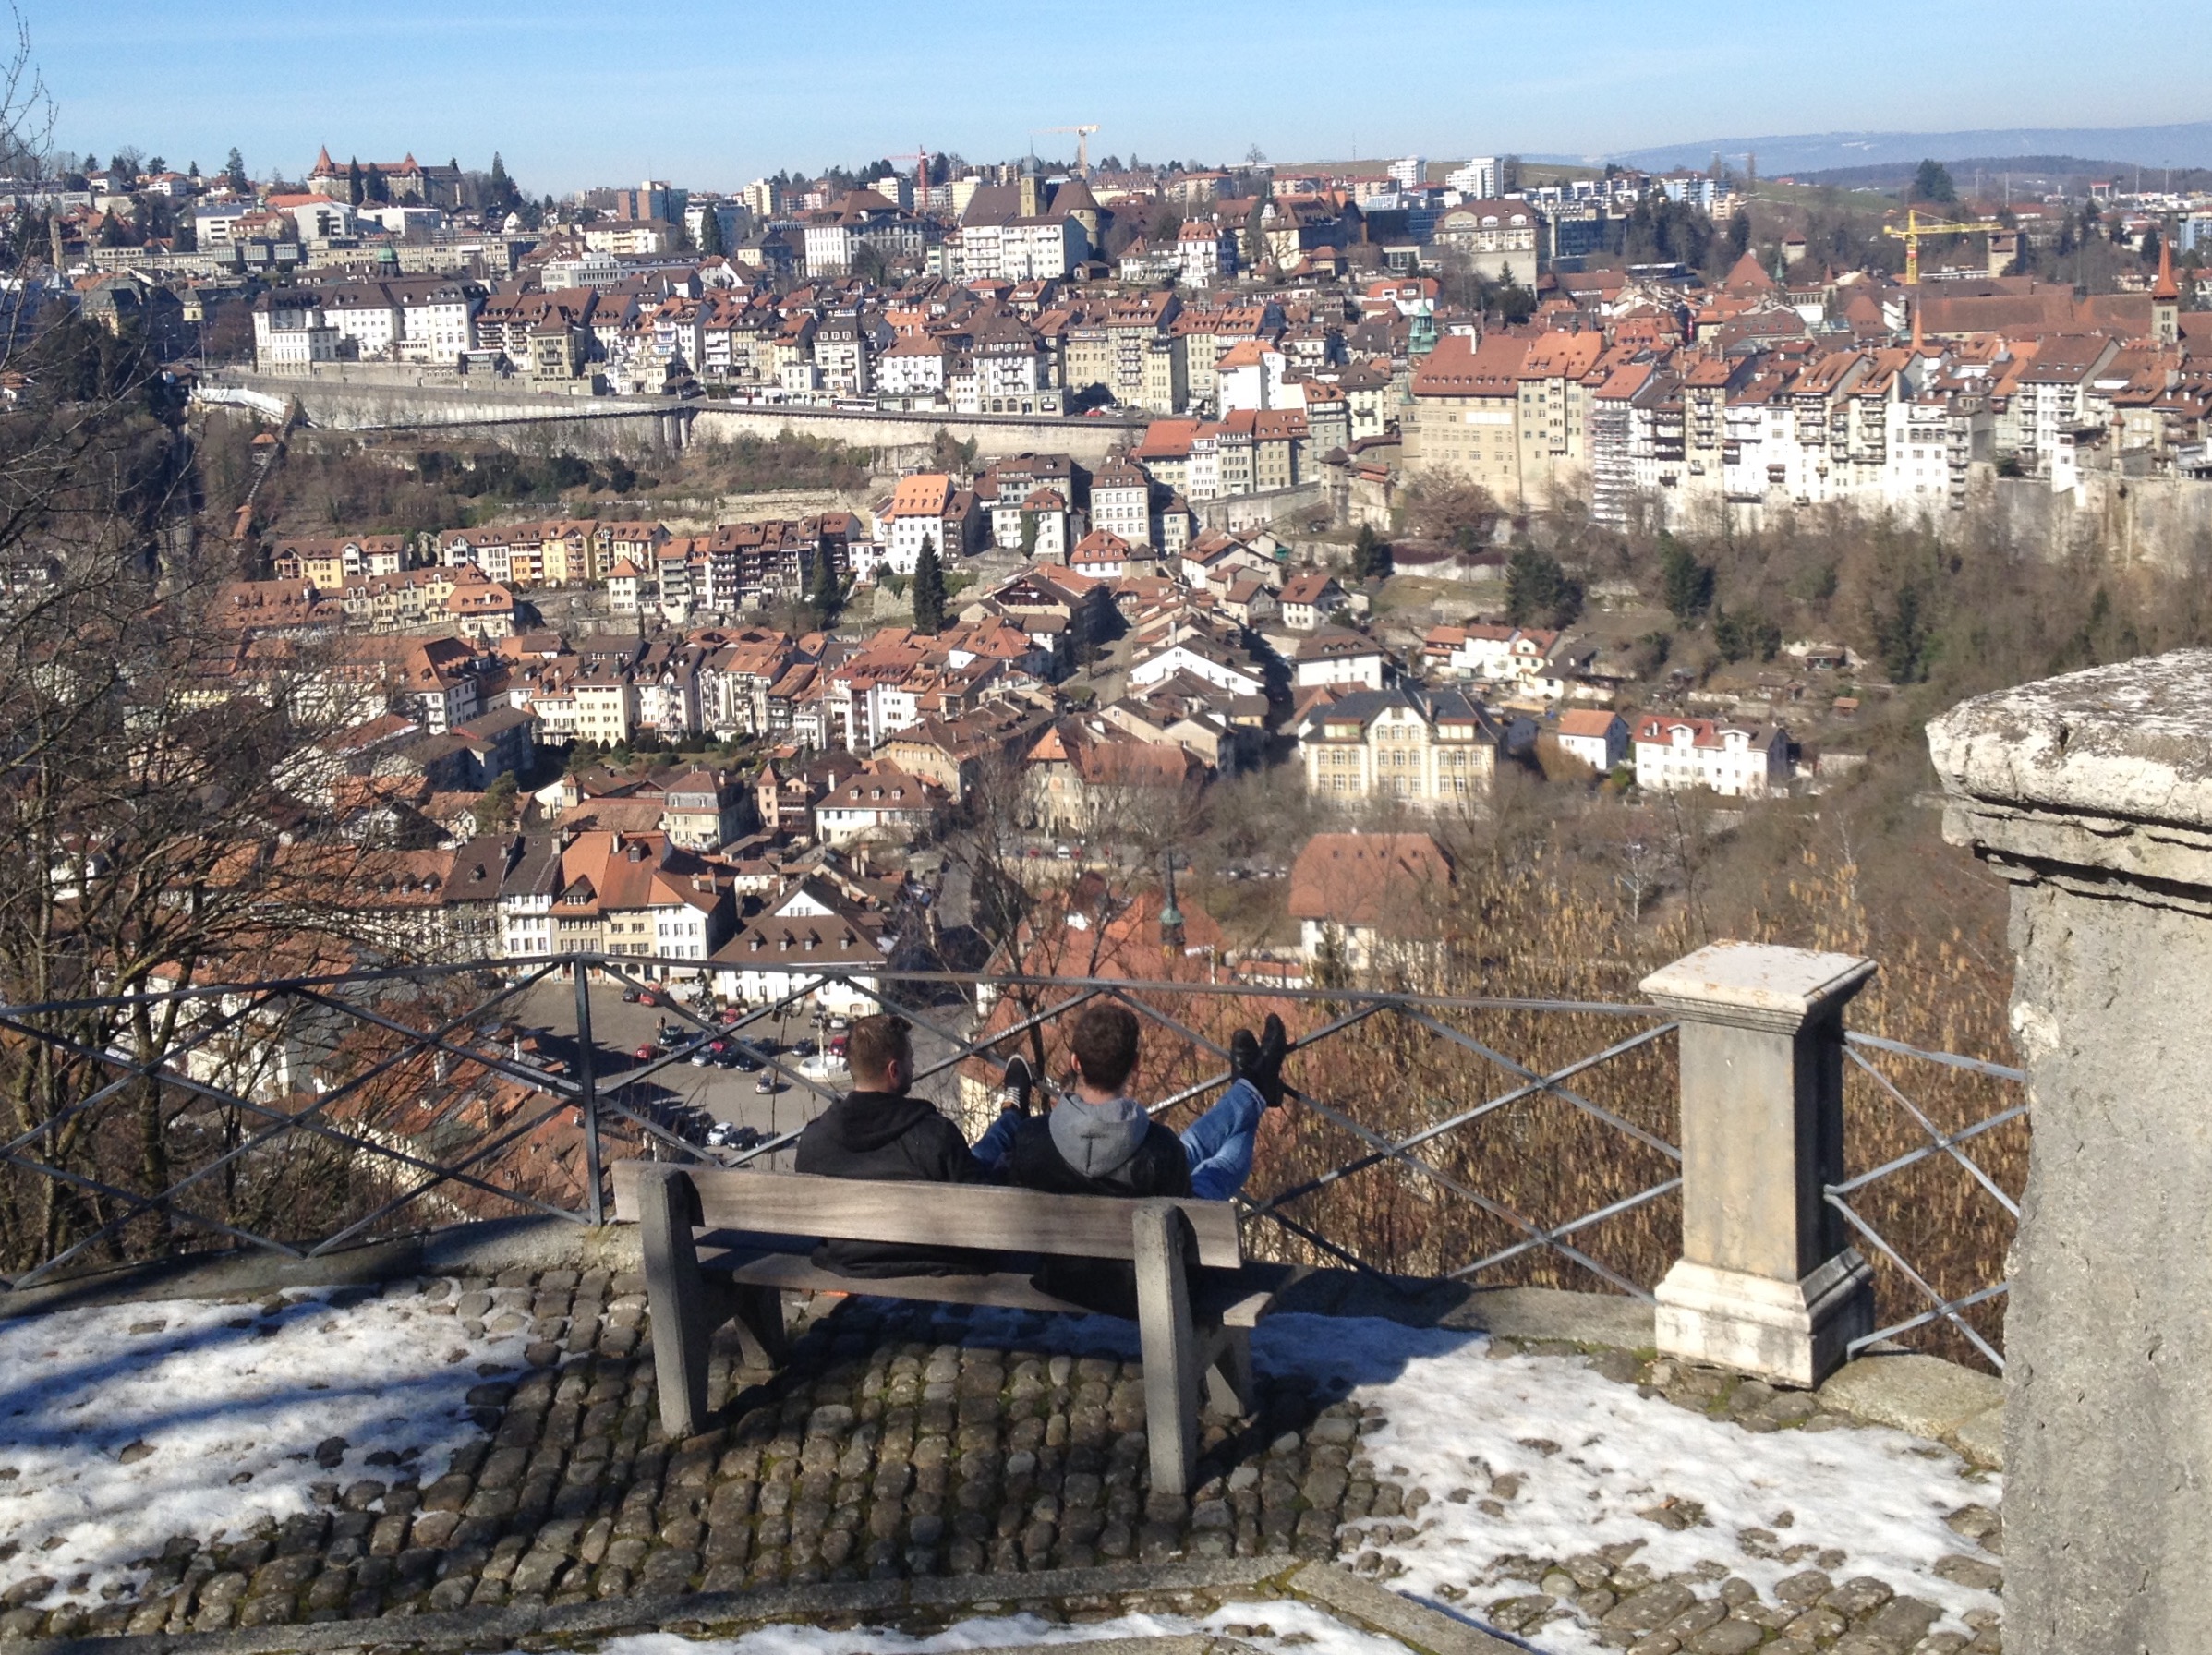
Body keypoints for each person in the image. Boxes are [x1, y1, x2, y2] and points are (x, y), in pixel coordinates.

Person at [999, 1002, 1287, 1314]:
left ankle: (1255, 1088)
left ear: (1075, 1062)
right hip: (1152, 1287)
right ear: (1135, 1065)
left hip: (1062, 1279)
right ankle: (1255, 1089)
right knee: (1217, 1169)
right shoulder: (1159, 1148)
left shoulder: (1031, 1139)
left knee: (1184, 1151)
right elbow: (1183, 1224)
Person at [792, 1013, 1021, 1276]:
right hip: (935, 1262)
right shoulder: (935, 1135)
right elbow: (982, 1214)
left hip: (848, 1262)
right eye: (910, 1059)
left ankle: (1011, 1116)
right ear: (894, 1070)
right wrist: (1004, 1173)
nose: (913, 1065)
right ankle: (1013, 1115)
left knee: (977, 1155)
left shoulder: (814, 1139)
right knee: (992, 1152)